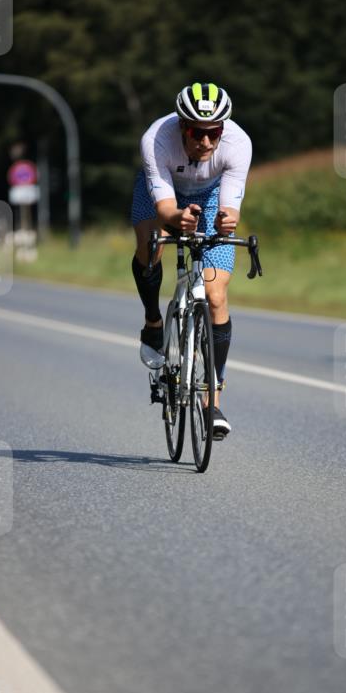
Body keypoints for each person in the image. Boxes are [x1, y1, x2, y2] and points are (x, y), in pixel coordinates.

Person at [130, 82, 252, 439]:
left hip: (211, 193)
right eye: (198, 133)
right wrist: (176, 218)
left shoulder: (238, 144)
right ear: (182, 126)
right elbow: (166, 207)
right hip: (162, 192)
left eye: (214, 133)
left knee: (215, 296)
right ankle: (153, 321)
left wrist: (227, 219)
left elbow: (230, 207)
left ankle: (211, 403)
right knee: (149, 249)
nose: (207, 142)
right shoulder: (156, 139)